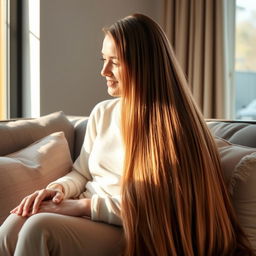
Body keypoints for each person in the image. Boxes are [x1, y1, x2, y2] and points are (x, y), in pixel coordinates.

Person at [0, 13, 254, 256]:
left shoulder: (175, 128)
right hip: (86, 213)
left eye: (116, 62)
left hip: (133, 228)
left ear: (145, 65)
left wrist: (81, 206)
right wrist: (58, 191)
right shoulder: (103, 112)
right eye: (103, 60)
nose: (104, 72)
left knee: (39, 228)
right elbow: (82, 172)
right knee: (15, 222)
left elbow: (163, 207)